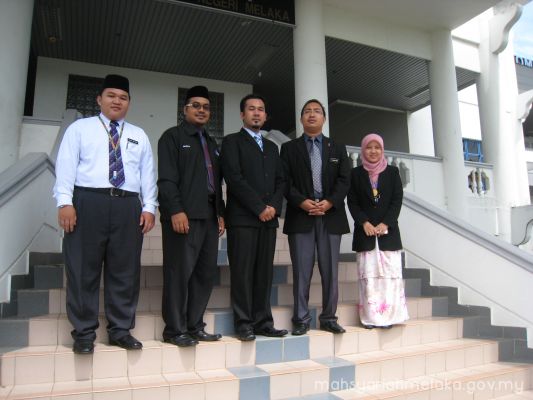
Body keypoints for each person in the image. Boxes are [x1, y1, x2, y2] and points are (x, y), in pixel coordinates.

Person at [53, 74, 158, 354]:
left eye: (123, 97)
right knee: (82, 269)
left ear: (129, 103)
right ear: (99, 99)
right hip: (88, 201)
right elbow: (65, 165)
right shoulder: (80, 128)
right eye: (111, 95)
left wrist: (149, 207)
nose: (117, 101)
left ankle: (120, 330)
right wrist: (65, 202)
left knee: (125, 271)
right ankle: (84, 333)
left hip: (127, 205)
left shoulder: (138, 134)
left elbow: (147, 173)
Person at [157, 86, 225, 347]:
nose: (201, 110)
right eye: (195, 105)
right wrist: (175, 210)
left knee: (204, 274)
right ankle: (174, 330)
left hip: (209, 217)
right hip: (183, 216)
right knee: (179, 273)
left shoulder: (211, 142)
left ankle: (195, 326)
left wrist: (220, 213)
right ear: (185, 109)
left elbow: (215, 182)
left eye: (206, 107)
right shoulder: (172, 137)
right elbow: (167, 179)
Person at [280, 99, 350, 336]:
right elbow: (284, 181)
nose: (312, 114)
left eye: (317, 111)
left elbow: (344, 180)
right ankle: (301, 319)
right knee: (302, 271)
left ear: (324, 118)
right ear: (301, 118)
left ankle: (329, 317)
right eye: (307, 111)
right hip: (301, 215)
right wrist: (301, 202)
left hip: (331, 216)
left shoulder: (337, 148)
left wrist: (329, 202)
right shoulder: (289, 148)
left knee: (330, 271)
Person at [220, 94, 287, 341]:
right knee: (242, 272)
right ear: (242, 114)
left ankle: (263, 322)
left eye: (260, 109)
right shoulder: (231, 142)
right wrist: (259, 207)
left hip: (268, 220)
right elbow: (234, 178)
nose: (256, 113)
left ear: (265, 115)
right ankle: (244, 323)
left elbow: (281, 180)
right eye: (251, 109)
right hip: (243, 219)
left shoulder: (272, 147)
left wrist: (273, 207)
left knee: (264, 273)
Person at [347, 133, 409, 329]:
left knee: (390, 278)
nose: (373, 151)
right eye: (369, 147)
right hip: (365, 235)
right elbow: (352, 202)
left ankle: (390, 317)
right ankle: (370, 318)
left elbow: (396, 200)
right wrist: (364, 222)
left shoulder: (392, 172)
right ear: (363, 150)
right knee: (369, 279)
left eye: (377, 147)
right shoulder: (355, 174)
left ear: (382, 150)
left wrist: (386, 223)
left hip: (388, 235)